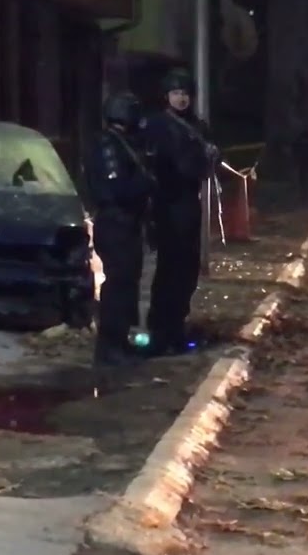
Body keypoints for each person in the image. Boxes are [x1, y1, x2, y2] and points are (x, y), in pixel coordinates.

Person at [137, 68, 219, 354]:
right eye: (175, 93)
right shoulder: (157, 125)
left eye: (185, 93)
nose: (181, 98)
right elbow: (156, 165)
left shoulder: (197, 126)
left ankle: (176, 326)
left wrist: (207, 158)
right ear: (166, 96)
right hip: (166, 202)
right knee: (169, 268)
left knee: (187, 269)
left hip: (189, 202)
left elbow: (206, 165)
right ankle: (160, 330)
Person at [85, 90, 154, 367]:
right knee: (117, 285)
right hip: (115, 223)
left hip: (129, 223)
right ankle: (109, 345)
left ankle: (121, 340)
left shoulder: (125, 143)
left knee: (128, 284)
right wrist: (145, 184)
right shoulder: (109, 145)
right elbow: (114, 188)